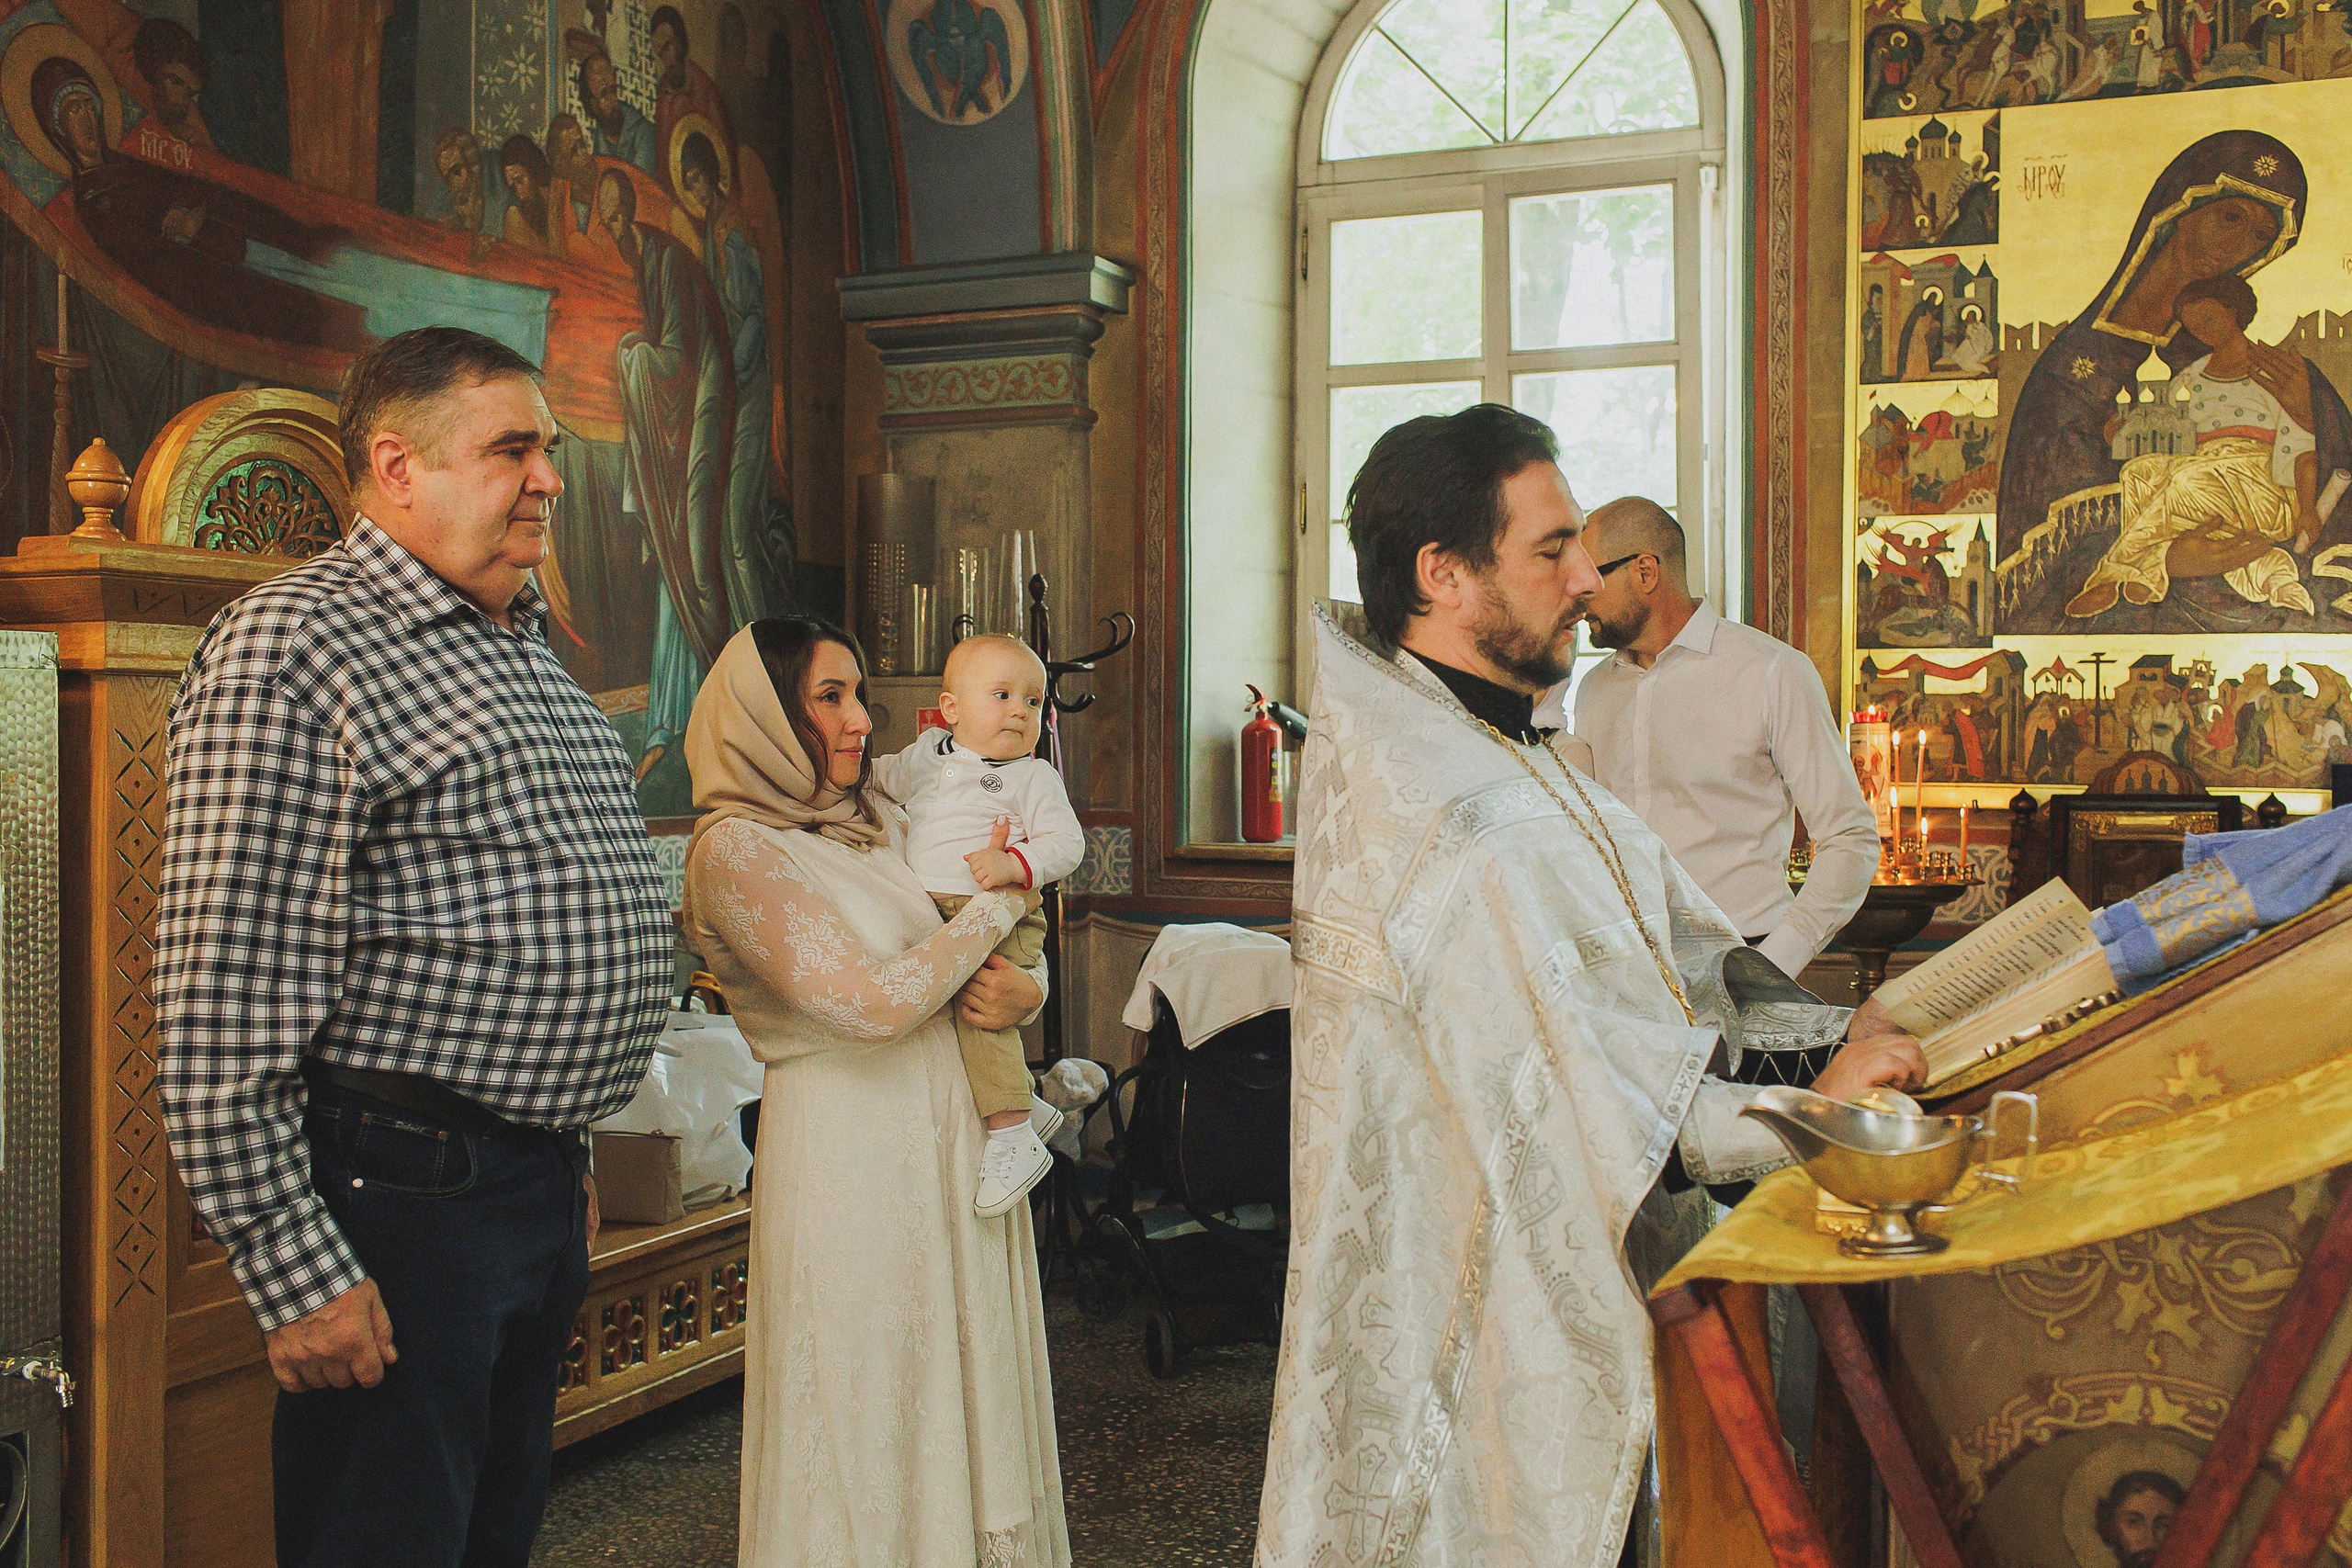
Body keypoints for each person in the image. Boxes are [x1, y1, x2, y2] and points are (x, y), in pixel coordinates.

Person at [1256, 405, 1925, 1568]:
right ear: (1443, 575)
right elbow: (1596, 1100)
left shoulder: (1499, 751)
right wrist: (1825, 1108)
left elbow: (1671, 971)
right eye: (1550, 548)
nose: (1585, 581)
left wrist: (1823, 1039)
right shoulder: (1452, 805)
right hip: (1481, 1290)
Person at [154, 327, 673, 1567]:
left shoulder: (525, 646)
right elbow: (222, 993)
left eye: (547, 448)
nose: (550, 476)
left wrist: (560, 1151)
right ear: (397, 464)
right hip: (395, 1196)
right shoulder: (295, 647)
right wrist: (293, 1267)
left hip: (526, 1189)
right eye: (513, 447)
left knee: (488, 1540)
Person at [681, 617, 1071, 1567]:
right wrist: (1002, 905)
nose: (860, 717)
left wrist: (1034, 990)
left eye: (858, 692)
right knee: (871, 1392)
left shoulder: (877, 820)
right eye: (829, 696)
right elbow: (870, 1004)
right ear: (764, 715)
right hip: (851, 1156)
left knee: (969, 1383)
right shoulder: (735, 851)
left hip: (951, 1139)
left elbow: (983, 953)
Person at [1544, 495, 1879, 980]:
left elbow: (1850, 836)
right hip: (1630, 969)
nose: (1578, 595)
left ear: (1645, 572)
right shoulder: (1594, 689)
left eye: (1592, 577)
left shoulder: (1771, 672)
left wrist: (1773, 964)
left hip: (1746, 953)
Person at [873, 635, 1085, 1216]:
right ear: (951, 710)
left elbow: (1067, 844)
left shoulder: (1032, 777)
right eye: (1002, 695)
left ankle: (1013, 1137)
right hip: (939, 913)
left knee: (980, 1014)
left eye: (1033, 701)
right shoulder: (925, 756)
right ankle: (1031, 1108)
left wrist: (1014, 864)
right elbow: (877, 779)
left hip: (998, 914)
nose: (1021, 710)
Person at [2067, 273, 2326, 617]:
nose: (2202, 331)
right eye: (2193, 326)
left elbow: (2301, 443)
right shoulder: (2190, 376)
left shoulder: (2272, 368)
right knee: (2137, 472)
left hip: (2259, 483)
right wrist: (2125, 433)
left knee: (2186, 478)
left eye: (2209, 318)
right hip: (2202, 473)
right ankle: (2150, 569)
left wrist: (2308, 508)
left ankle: (2113, 575)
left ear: (2234, 311)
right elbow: (2159, 426)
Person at [599, 166, 738, 780]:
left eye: (612, 219)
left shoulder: (666, 260)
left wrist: (632, 356)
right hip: (677, 429)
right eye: (602, 222)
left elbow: (680, 358)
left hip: (702, 414)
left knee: (693, 560)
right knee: (672, 560)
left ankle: (710, 711)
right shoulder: (644, 262)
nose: (609, 231)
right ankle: (668, 722)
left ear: (627, 213)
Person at [579, 51, 658, 175]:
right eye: (604, 95)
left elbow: (642, 185)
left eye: (612, 92)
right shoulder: (599, 143)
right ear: (593, 105)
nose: (611, 102)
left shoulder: (644, 132)